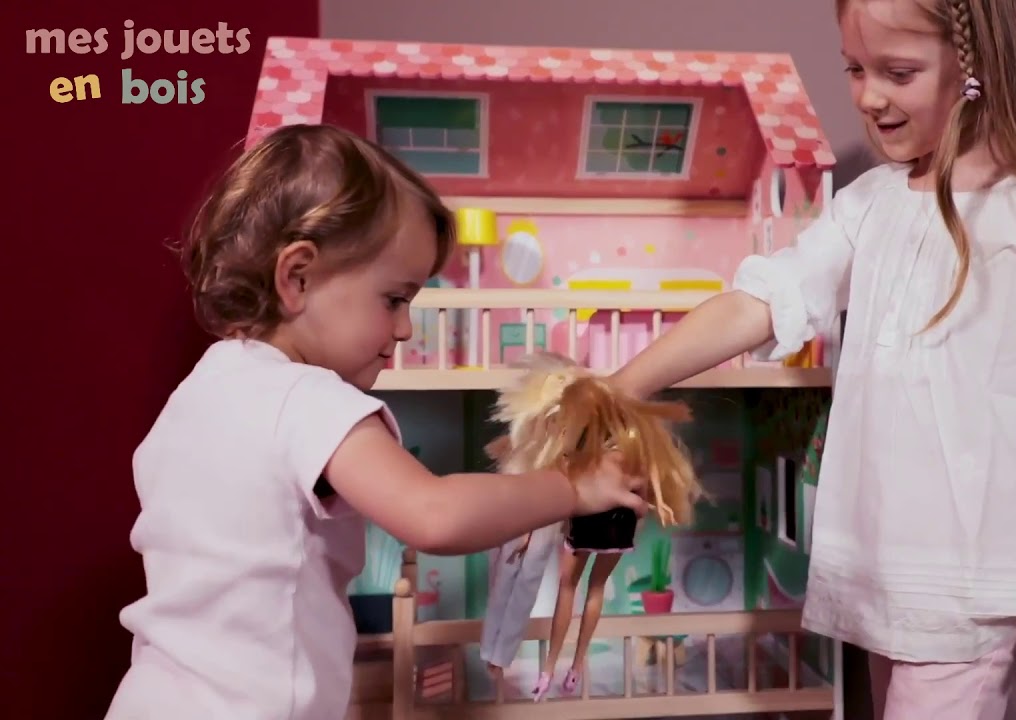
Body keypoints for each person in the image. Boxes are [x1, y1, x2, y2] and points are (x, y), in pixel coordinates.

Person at [609, 1, 1016, 718]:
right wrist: (621, 385)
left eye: (898, 72)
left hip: (970, 573)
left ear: (978, 68)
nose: (868, 95)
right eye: (855, 68)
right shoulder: (872, 206)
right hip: (885, 564)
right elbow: (766, 299)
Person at [104, 123, 648, 720]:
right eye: (394, 299)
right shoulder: (305, 397)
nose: (406, 329)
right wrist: (575, 487)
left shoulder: (197, 394)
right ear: (297, 278)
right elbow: (435, 515)